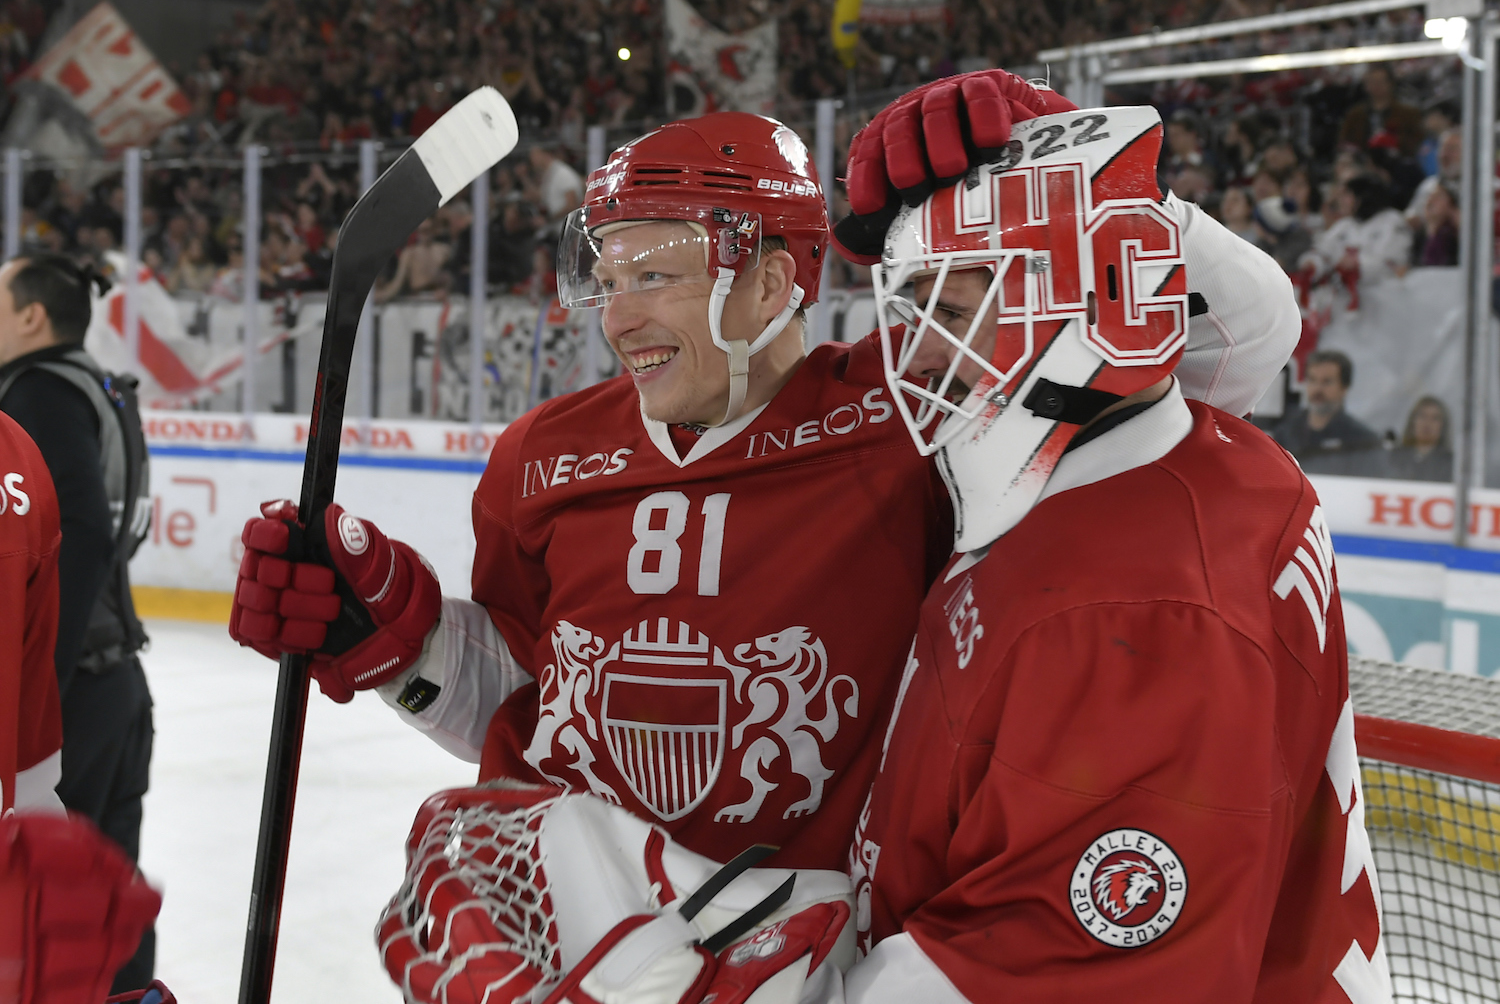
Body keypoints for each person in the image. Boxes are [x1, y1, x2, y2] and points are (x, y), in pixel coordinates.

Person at [227, 80, 1298, 875]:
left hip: (801, 963)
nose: (619, 313)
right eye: (606, 276)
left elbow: (1238, 351)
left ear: (776, 279)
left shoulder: (911, 407)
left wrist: (1065, 175)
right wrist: (404, 640)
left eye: (656, 273)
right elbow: (533, 705)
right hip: (555, 935)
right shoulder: (539, 455)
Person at [839, 105, 1386, 999]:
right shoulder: (1202, 458)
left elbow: (1050, 970)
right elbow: (1252, 327)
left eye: (959, 311)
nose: (920, 351)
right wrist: (1093, 167)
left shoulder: (1134, 613)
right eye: (916, 311)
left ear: (1089, 310)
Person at [0, 252, 156, 993]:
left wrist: (40, 689)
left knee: (53, 916)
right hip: (116, 677)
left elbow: (83, 532)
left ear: (31, 316)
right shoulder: (101, 385)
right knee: (104, 908)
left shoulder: (36, 394)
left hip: (74, 690)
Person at [1271, 350, 1382, 475]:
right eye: (1312, 380)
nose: (1318, 389)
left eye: (1327, 382)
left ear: (1344, 388)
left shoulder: (1363, 442)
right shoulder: (1285, 434)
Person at [1339, 64, 1422, 158]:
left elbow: (1417, 142)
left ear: (1391, 83)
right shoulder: (1355, 115)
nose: (1376, 86)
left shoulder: (1408, 113)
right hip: (1363, 163)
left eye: (1380, 82)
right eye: (1372, 82)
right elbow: (1345, 142)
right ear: (1366, 85)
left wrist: (1395, 141)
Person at [1386, 395, 1452, 482]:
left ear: (1443, 426)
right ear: (1412, 422)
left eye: (1435, 418)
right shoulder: (1394, 459)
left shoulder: (1451, 465)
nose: (1427, 423)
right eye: (1422, 416)